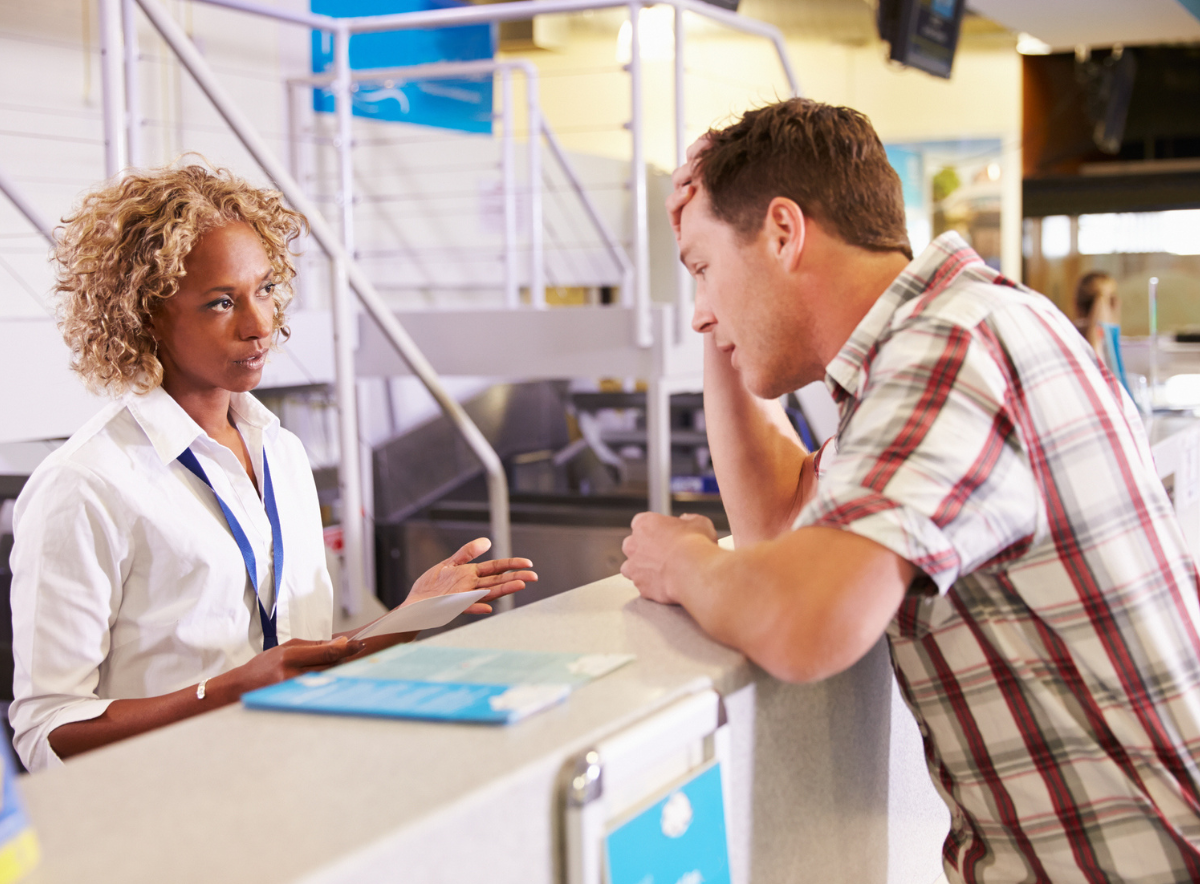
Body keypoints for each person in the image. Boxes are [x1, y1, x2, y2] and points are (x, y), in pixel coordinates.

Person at [621, 98, 1200, 882]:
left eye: (700, 271)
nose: (697, 314)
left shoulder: (950, 348)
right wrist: (724, 295)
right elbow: (780, 523)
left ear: (785, 232)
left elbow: (802, 617)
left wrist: (682, 562)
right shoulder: (947, 334)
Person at [10, 164, 536, 772]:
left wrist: (407, 617)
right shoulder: (86, 484)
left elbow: (287, 662)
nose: (260, 325)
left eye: (263, 290)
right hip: (165, 824)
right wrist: (225, 692)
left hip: (289, 784)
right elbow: (46, 730)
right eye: (221, 303)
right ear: (146, 315)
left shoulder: (279, 451)